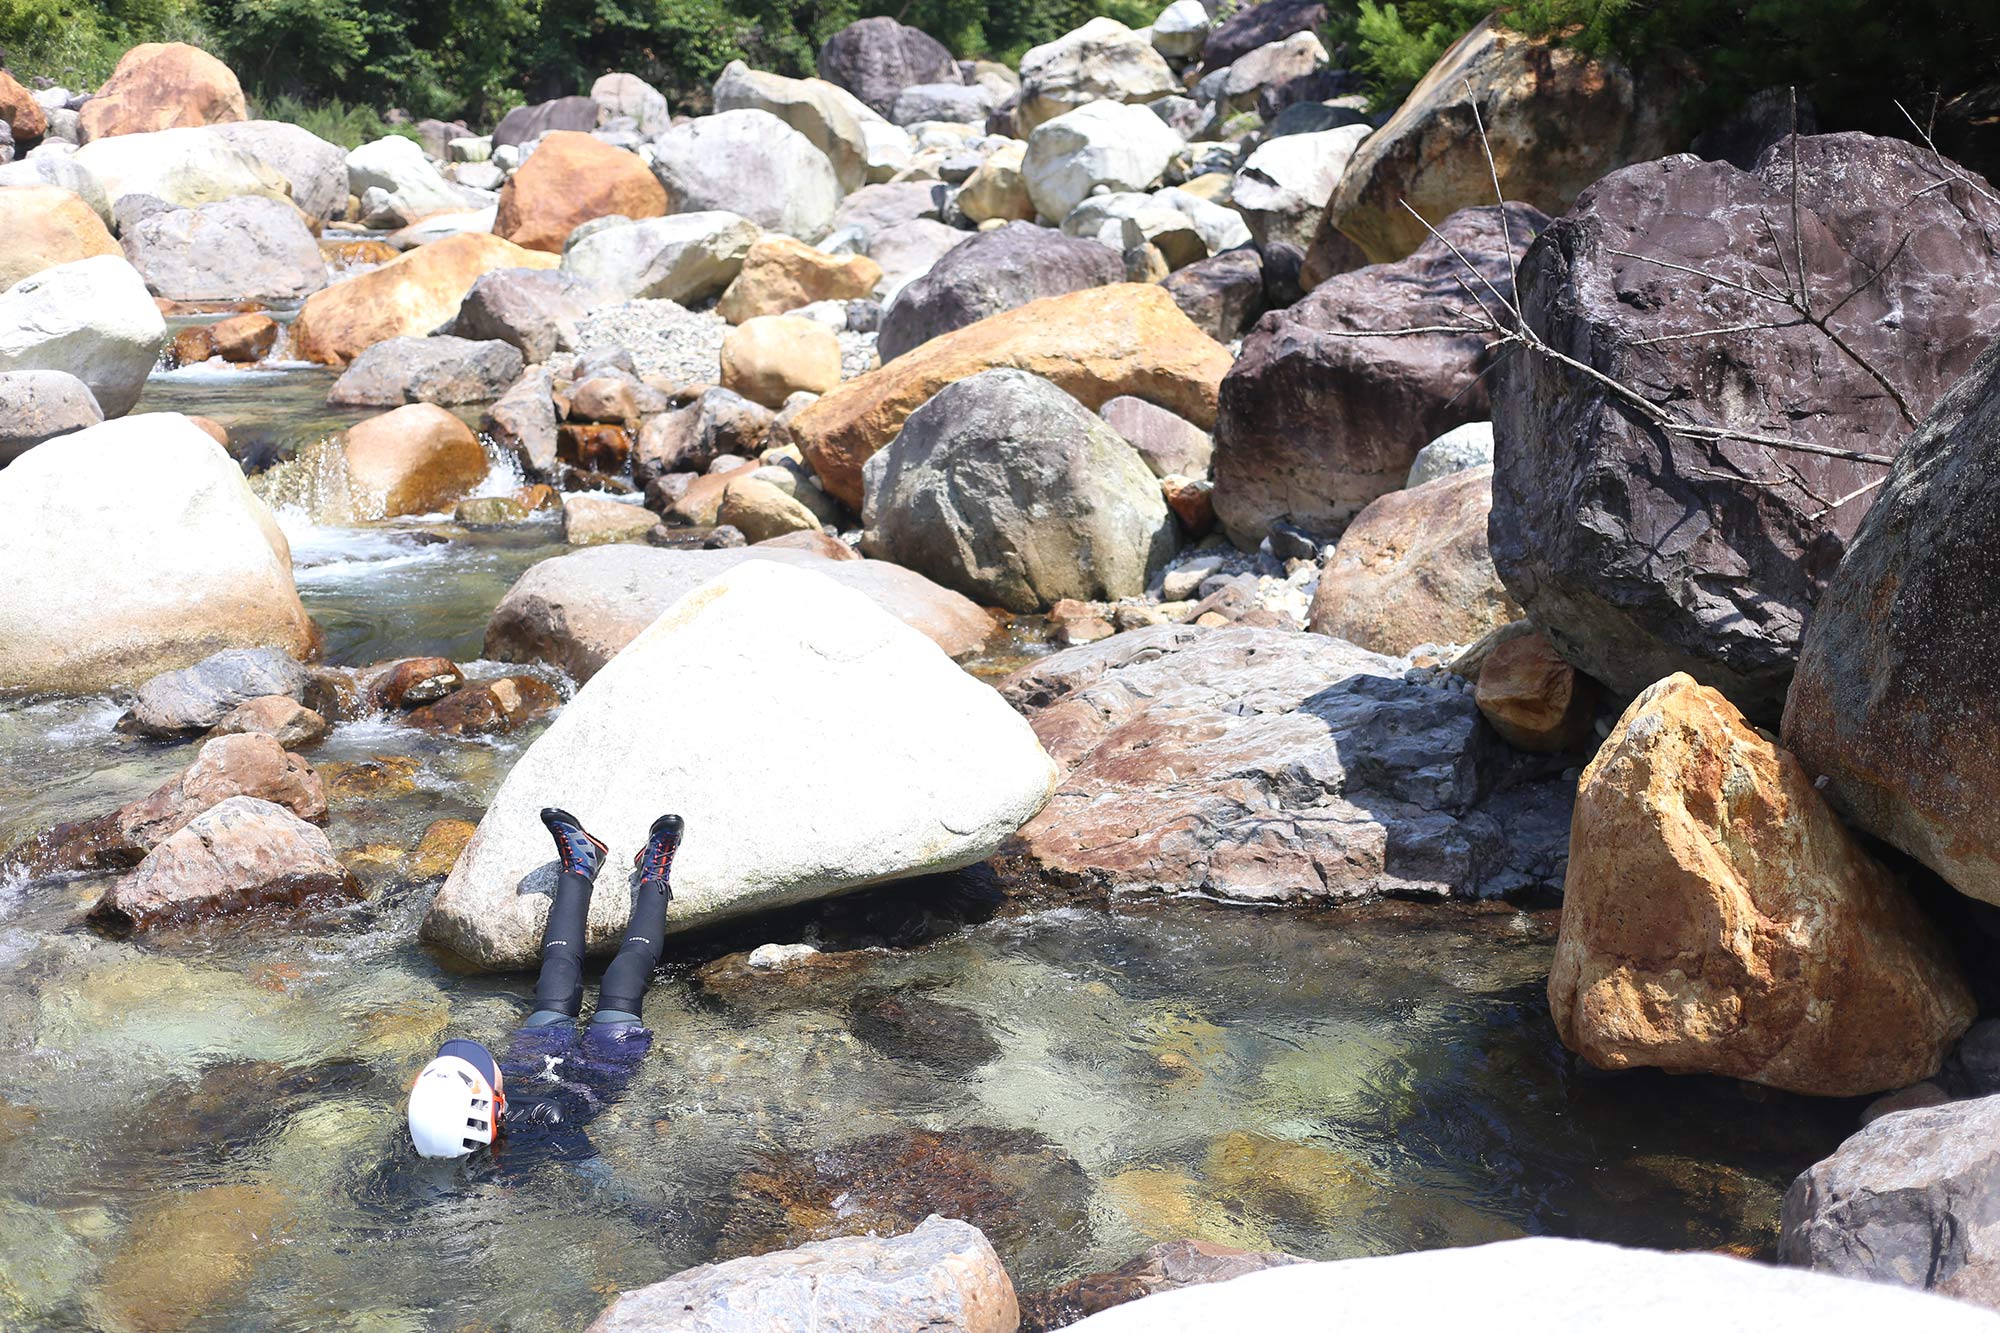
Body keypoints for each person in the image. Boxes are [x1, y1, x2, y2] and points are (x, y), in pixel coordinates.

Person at [407, 807, 683, 1164]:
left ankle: (580, 867)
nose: (488, 1061)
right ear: (491, 1106)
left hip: (532, 1060)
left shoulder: (428, 1132)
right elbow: (603, 1183)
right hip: (600, 1072)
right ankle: (654, 875)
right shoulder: (547, 1121)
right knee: (624, 977)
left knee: (557, 976)